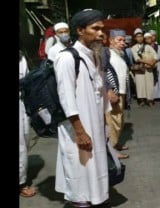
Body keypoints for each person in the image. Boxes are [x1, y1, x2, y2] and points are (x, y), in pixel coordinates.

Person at [53, 9, 111, 207]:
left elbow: (100, 95)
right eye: (95, 29)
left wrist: (104, 125)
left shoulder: (96, 56)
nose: (101, 33)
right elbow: (66, 98)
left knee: (94, 172)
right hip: (77, 129)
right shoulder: (67, 58)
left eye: (102, 29)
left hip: (94, 126)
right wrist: (80, 132)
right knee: (80, 174)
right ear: (79, 30)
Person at [103, 29, 130, 159]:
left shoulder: (120, 54)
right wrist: (109, 90)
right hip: (113, 93)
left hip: (122, 92)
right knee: (112, 121)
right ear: (111, 40)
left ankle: (115, 143)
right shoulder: (106, 53)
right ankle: (112, 150)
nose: (122, 43)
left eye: (124, 40)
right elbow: (102, 72)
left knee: (119, 120)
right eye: (119, 40)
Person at [19, 50, 37, 198]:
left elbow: (28, 81)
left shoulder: (21, 58)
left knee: (21, 144)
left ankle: (21, 182)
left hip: (21, 106)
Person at [131, 29, 158, 107]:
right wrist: (148, 62)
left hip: (149, 68)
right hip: (140, 68)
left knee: (149, 83)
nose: (139, 38)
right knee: (140, 84)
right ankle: (141, 100)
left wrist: (153, 62)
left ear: (143, 37)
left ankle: (150, 100)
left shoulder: (148, 46)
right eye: (137, 37)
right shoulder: (134, 48)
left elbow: (155, 55)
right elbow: (137, 59)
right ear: (135, 38)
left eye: (141, 36)